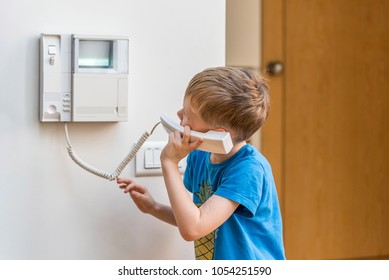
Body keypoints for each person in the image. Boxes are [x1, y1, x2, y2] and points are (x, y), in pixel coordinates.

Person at [117, 66, 285, 260]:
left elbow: (193, 228)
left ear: (217, 133)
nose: (179, 115)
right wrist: (154, 208)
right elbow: (198, 217)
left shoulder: (248, 171)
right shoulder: (200, 156)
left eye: (188, 114)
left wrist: (169, 163)